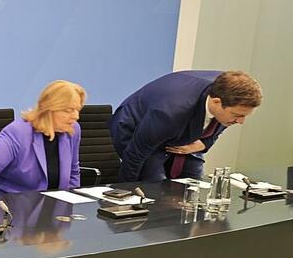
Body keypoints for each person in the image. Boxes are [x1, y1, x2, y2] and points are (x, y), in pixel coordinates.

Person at [110, 70, 262, 182]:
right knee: (154, 188)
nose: (240, 122)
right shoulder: (170, 112)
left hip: (182, 129)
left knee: (193, 189)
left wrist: (204, 143)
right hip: (136, 128)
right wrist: (125, 193)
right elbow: (135, 154)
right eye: (238, 116)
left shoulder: (229, 92)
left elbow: (222, 122)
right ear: (216, 102)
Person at [0, 80, 85, 197]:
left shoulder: (73, 130)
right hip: (14, 210)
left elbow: (73, 173)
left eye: (77, 110)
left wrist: (69, 207)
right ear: (49, 109)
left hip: (53, 209)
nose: (76, 116)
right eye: (68, 110)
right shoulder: (18, 133)